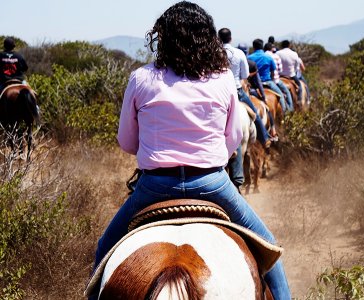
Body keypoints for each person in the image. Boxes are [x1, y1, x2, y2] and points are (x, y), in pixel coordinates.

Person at [89, 2, 291, 299]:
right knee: (270, 250)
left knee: (103, 251)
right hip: (211, 184)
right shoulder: (223, 78)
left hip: (154, 187)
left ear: (163, 38)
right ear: (206, 38)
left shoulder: (141, 78)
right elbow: (234, 138)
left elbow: (126, 143)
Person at [218, 29, 272, 151]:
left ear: (218, 38)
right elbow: (245, 75)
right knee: (255, 114)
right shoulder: (239, 53)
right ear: (230, 38)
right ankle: (264, 138)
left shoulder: (213, 53)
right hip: (237, 91)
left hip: (218, 92)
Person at [248, 38, 288, 114]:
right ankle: (284, 113)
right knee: (281, 97)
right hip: (268, 82)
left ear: (253, 47)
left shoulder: (249, 58)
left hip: (254, 85)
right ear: (262, 46)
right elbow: (273, 72)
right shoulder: (269, 57)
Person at [247, 59, 278, 140]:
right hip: (250, 91)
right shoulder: (251, 63)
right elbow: (258, 82)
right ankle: (273, 131)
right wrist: (263, 97)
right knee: (266, 107)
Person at [264, 42, 294, 112]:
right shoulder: (276, 56)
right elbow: (280, 70)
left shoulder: (262, 56)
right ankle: (288, 111)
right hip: (274, 81)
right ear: (271, 49)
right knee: (286, 93)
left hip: (260, 82)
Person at [276, 40, 303, 104]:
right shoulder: (294, 53)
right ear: (289, 45)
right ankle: (299, 100)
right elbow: (297, 66)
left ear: (282, 46)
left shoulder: (278, 53)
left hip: (280, 75)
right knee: (299, 85)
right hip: (291, 75)